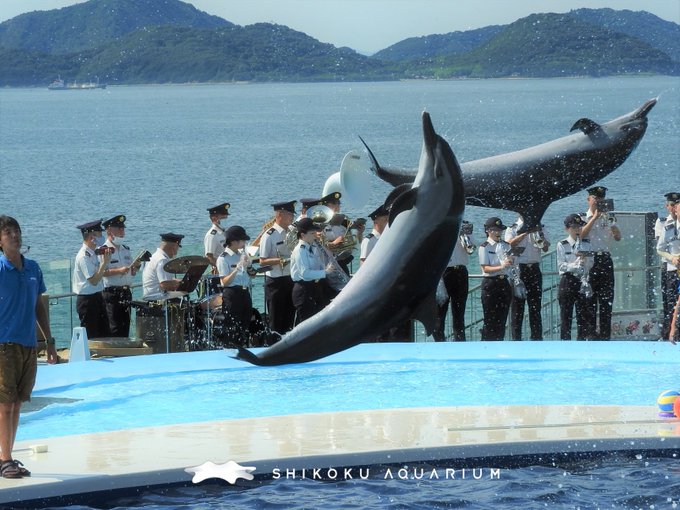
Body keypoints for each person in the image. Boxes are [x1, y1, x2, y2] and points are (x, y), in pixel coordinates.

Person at [0, 215, 57, 479]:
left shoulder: (33, 268)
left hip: (28, 345)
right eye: (8, 232)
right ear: (0, 240)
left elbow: (39, 307)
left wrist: (49, 342)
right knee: (5, 403)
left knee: (18, 402)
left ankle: (7, 455)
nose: (15, 236)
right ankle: (5, 459)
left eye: (17, 231)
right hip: (3, 344)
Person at [580, 186, 621, 340]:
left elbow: (618, 237)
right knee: (590, 300)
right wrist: (594, 218)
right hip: (590, 260)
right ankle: (590, 335)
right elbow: (581, 235)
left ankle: (605, 336)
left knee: (606, 301)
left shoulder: (610, 216)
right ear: (589, 200)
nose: (598, 202)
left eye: (601, 199)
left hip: (605, 259)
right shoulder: (582, 217)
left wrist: (612, 223)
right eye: (595, 199)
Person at [504, 216, 550, 340]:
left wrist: (540, 235)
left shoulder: (540, 226)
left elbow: (545, 248)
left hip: (534, 268)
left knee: (535, 307)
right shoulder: (512, 228)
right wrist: (525, 233)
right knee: (517, 309)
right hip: (519, 269)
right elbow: (508, 244)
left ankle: (536, 338)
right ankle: (516, 339)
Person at [259, 201, 297, 336]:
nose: (292, 218)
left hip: (290, 278)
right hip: (275, 282)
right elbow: (262, 260)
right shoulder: (269, 235)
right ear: (280, 214)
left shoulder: (291, 232)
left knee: (290, 317)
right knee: (275, 320)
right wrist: (282, 260)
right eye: (289, 215)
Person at [556, 214, 595, 340]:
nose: (577, 230)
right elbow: (561, 266)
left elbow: (592, 262)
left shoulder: (586, 244)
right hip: (568, 280)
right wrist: (574, 265)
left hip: (582, 280)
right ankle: (565, 343)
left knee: (583, 315)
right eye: (574, 227)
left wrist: (586, 262)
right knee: (565, 316)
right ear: (567, 229)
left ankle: (582, 342)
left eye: (579, 227)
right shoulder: (562, 244)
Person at [217, 226, 255, 347]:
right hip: (232, 294)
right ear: (234, 241)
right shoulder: (223, 258)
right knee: (233, 326)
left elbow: (253, 275)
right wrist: (236, 269)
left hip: (245, 292)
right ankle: (232, 348)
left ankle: (243, 346)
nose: (244, 243)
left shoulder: (242, 255)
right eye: (242, 240)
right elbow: (224, 282)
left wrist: (249, 265)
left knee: (245, 324)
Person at [72, 220, 110, 339]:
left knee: (104, 333)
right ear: (92, 236)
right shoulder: (84, 256)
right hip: (87, 300)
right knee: (91, 335)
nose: (101, 237)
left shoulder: (94, 253)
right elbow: (93, 281)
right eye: (99, 234)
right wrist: (104, 264)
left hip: (98, 297)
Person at [436, 220, 473, 341]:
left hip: (461, 271)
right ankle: (439, 342)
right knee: (440, 311)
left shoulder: (464, 227)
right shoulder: (440, 227)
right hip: (445, 271)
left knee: (459, 311)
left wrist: (466, 234)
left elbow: (470, 249)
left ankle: (460, 341)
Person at [101, 215, 136, 337]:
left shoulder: (126, 249)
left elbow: (132, 271)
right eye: (119, 229)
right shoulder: (103, 250)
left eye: (123, 229)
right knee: (114, 328)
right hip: (112, 293)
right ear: (109, 230)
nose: (122, 232)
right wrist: (119, 270)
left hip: (126, 292)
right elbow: (102, 272)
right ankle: (116, 355)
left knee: (125, 327)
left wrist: (135, 267)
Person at [478, 217, 513, 341]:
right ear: (488, 231)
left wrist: (510, 261)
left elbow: (511, 262)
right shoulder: (485, 247)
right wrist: (501, 266)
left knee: (502, 318)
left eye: (500, 230)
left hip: (504, 282)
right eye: (495, 230)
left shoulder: (506, 245)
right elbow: (485, 268)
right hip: (491, 283)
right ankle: (487, 344)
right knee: (490, 319)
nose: (498, 233)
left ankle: (500, 342)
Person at [290, 217, 329, 324]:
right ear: (303, 235)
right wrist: (325, 272)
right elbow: (305, 273)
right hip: (303, 289)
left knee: (319, 320)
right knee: (306, 323)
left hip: (314, 287)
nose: (315, 235)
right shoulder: (300, 250)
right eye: (312, 233)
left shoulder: (313, 247)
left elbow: (317, 265)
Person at [656, 193, 680, 340]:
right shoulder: (668, 226)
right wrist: (672, 257)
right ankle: (670, 335)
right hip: (672, 269)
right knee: (671, 304)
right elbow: (660, 248)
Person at [142, 232, 184, 301]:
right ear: (174, 246)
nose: (177, 250)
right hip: (156, 298)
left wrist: (179, 281)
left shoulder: (155, 256)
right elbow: (165, 285)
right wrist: (185, 285)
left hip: (150, 296)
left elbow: (161, 280)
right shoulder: (162, 260)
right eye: (178, 247)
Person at [204, 202, 230, 269]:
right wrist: (222, 268)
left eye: (226, 217)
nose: (225, 219)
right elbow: (209, 257)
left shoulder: (224, 232)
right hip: (219, 271)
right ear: (214, 218)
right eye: (222, 218)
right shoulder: (212, 235)